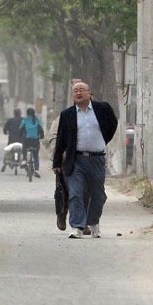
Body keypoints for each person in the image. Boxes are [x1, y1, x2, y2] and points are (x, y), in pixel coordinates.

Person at [52, 81, 117, 239]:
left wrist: (102, 141)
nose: (78, 93)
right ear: (72, 95)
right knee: (75, 193)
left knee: (98, 195)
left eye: (81, 90)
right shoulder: (67, 114)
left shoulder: (103, 108)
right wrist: (56, 163)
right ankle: (77, 227)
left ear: (89, 93)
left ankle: (93, 223)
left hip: (97, 160)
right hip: (76, 160)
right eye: (75, 91)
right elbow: (61, 138)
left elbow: (112, 125)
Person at [19, 107, 44, 178]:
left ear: (27, 113)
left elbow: (21, 129)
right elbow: (41, 131)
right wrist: (41, 137)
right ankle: (36, 170)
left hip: (27, 141)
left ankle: (24, 159)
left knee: (24, 147)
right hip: (35, 141)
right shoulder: (37, 120)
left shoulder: (25, 120)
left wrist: (20, 135)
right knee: (35, 156)